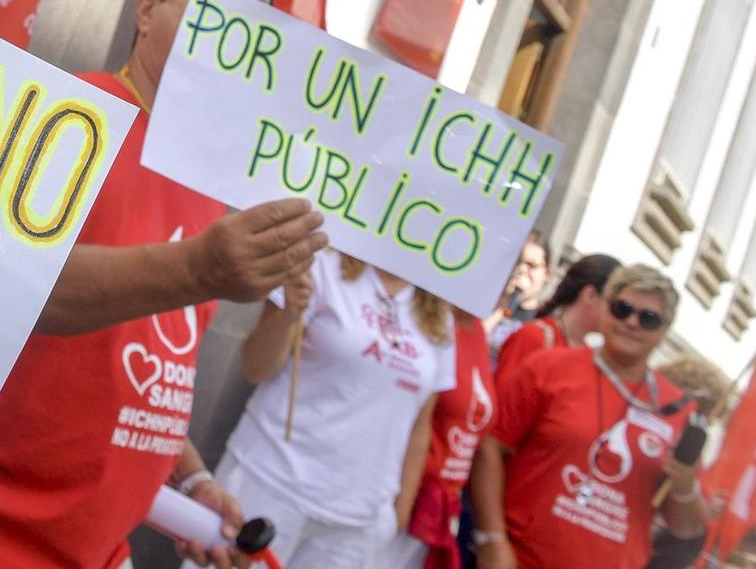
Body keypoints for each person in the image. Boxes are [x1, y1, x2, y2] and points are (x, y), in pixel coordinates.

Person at [0, 0, 331, 569]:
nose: (230, 33)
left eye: (254, 22)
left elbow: (145, 367)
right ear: (146, 9)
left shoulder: (203, 179)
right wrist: (197, 269)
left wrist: (190, 483)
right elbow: (7, 288)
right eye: (211, 0)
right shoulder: (65, 116)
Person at [217, 253, 456, 566]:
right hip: (270, 487)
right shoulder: (320, 265)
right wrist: (290, 313)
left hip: (356, 523)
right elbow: (255, 368)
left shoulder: (439, 315)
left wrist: (397, 514)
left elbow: (419, 424)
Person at [470, 265, 707, 569]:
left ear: (664, 330)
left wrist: (685, 485)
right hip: (521, 559)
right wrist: (492, 539)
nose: (632, 323)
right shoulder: (548, 368)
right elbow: (489, 447)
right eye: (622, 309)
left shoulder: (677, 409)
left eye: (648, 318)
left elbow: (685, 529)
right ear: (605, 309)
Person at [381, 306, 494, 568]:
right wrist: (399, 510)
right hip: (400, 498)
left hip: (435, 513)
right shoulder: (434, 314)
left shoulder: (476, 328)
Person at [493, 251, 620, 377]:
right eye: (616, 305)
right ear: (590, 295)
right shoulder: (535, 336)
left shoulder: (590, 358)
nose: (622, 318)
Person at [484, 233, 550, 353]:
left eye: (532, 265)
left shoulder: (543, 320)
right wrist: (503, 304)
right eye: (518, 262)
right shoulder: (487, 304)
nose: (522, 270)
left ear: (547, 273)